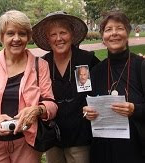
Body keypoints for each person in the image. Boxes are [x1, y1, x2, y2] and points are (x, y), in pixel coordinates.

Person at [0, 10, 57, 163]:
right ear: (2, 36)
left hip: (27, 143)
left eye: (22, 34)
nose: (16, 39)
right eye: (10, 33)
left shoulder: (40, 65)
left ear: (28, 37)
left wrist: (37, 110)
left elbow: (51, 104)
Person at [32, 11, 100, 163]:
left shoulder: (87, 59)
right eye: (53, 34)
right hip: (52, 136)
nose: (59, 38)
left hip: (80, 136)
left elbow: (104, 85)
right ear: (48, 39)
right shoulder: (43, 64)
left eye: (63, 32)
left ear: (72, 34)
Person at [83, 10, 145, 163]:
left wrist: (135, 109)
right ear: (103, 37)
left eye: (120, 28)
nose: (114, 33)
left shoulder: (141, 66)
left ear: (128, 33)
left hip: (135, 148)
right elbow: (89, 105)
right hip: (103, 149)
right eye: (108, 29)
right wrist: (87, 113)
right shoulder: (96, 70)